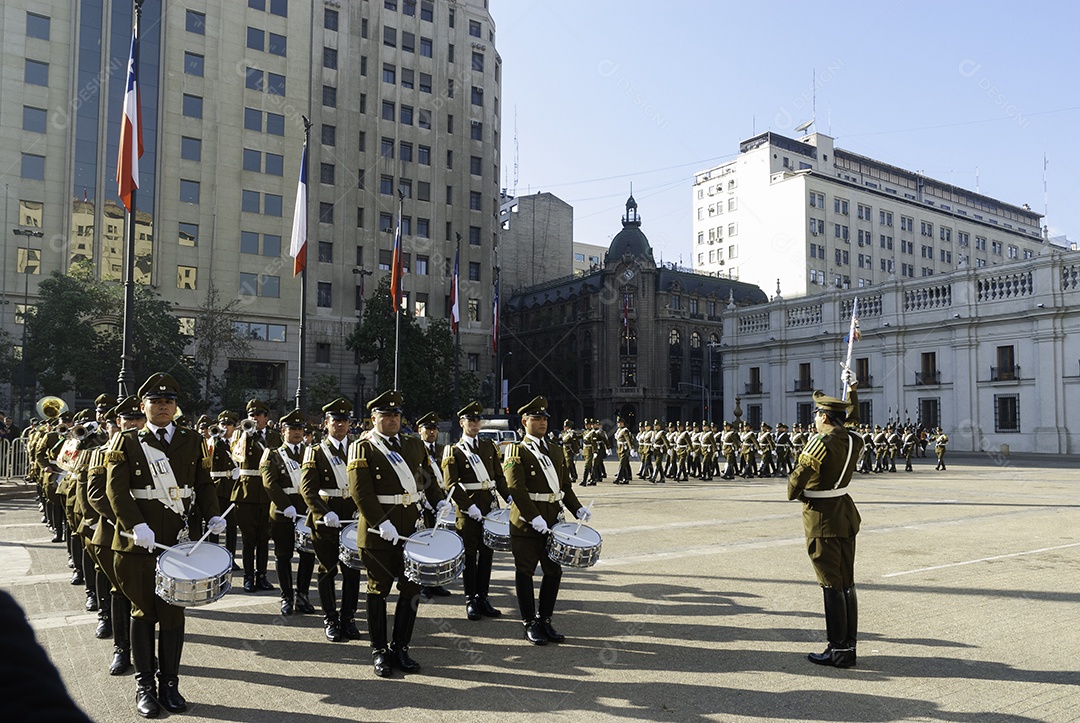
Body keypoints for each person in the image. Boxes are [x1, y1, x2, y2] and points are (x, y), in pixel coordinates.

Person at [105, 373, 226, 717]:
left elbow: (203, 485)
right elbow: (116, 491)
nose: (162, 407)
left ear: (175, 406)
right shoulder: (127, 441)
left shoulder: (192, 440)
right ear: (144, 407)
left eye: (168, 401)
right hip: (138, 544)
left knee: (173, 616)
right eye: (156, 402)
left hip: (178, 543)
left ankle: (169, 684)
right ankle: (144, 686)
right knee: (144, 613)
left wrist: (214, 515)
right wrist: (136, 524)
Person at [349, 390, 446, 677]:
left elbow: (426, 478)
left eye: (396, 415)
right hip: (379, 532)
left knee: (412, 590)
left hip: (410, 531)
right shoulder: (362, 447)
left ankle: (401, 647)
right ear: (374, 418)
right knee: (378, 591)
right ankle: (379, 650)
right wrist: (381, 523)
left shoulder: (414, 445)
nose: (392, 419)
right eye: (386, 415)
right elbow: (360, 492)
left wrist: (439, 499)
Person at [787, 387, 863, 669]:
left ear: (826, 417)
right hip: (844, 515)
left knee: (830, 584)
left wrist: (802, 461)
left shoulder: (819, 444)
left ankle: (838, 649)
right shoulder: (854, 440)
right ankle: (849, 645)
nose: (815, 419)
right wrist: (852, 392)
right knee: (846, 583)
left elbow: (793, 488)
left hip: (822, 520)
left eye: (818, 414)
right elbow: (852, 421)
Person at [504, 396, 589, 645]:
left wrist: (578, 508)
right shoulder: (516, 450)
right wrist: (534, 517)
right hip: (526, 522)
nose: (542, 422)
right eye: (536, 418)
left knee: (553, 571)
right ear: (524, 421)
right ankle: (529, 622)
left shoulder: (554, 449)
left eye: (544, 418)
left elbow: (564, 486)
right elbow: (516, 489)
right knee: (525, 572)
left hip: (552, 521)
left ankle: (546, 620)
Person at [86, 396, 143, 677]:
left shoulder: (155, 452)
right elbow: (96, 494)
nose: (132, 424)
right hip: (114, 533)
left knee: (145, 595)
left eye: (137, 419)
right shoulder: (102, 452)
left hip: (150, 535)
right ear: (117, 423)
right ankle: (122, 650)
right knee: (119, 592)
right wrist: (128, 520)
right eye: (127, 420)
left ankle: (145, 651)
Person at [300, 398, 361, 643]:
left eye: (345, 420)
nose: (341, 425)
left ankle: (349, 617)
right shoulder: (315, 451)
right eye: (336, 420)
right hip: (326, 518)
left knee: (353, 570)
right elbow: (308, 490)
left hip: (352, 517)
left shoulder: (358, 448)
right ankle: (330, 618)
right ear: (326, 424)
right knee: (328, 569)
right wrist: (323, 512)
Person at [442, 401, 509, 620]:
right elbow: (450, 484)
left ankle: (483, 597)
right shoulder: (453, 450)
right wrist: (468, 506)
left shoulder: (489, 446)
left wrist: (508, 496)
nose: (475, 423)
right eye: (471, 420)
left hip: (489, 507)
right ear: (462, 423)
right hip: (468, 510)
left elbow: (498, 476)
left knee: (487, 554)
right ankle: (470, 598)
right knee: (470, 555)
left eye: (477, 420)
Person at [261, 409, 316, 616]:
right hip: (283, 511)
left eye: (300, 428)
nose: (297, 432)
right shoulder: (273, 454)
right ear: (283, 431)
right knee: (283, 555)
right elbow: (269, 483)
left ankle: (303, 597)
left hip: (306, 511)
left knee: (307, 555)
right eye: (292, 428)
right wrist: (286, 506)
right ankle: (286, 596)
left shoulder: (312, 452)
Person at [232, 399, 282, 592]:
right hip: (246, 493)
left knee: (263, 538)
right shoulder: (240, 434)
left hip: (266, 492)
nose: (254, 418)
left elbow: (277, 459)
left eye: (258, 415)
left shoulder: (274, 436)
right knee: (248, 539)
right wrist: (247, 435)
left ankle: (262, 576)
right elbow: (237, 455)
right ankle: (247, 576)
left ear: (265, 417)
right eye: (251, 415)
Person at [416, 412, 453, 600]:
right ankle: (423, 583)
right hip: (423, 504)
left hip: (441, 502)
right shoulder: (414, 450)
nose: (432, 432)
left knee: (439, 542)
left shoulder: (443, 450)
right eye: (428, 428)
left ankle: (437, 582)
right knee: (423, 543)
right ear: (419, 430)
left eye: (435, 429)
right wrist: (425, 500)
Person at [612, 417, 633, 484]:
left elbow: (628, 440)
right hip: (619, 448)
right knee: (625, 464)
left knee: (622, 464)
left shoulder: (625, 430)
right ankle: (626, 479)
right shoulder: (618, 430)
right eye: (618, 423)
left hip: (624, 449)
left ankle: (618, 478)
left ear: (623, 423)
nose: (619, 424)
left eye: (620, 423)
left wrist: (631, 448)